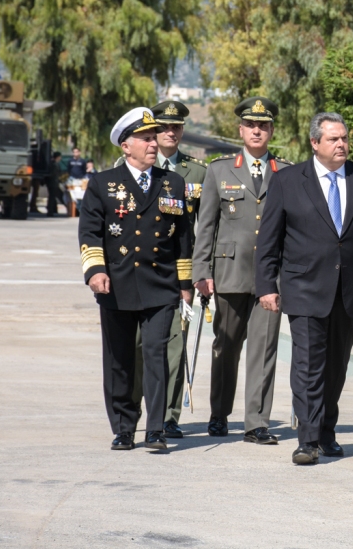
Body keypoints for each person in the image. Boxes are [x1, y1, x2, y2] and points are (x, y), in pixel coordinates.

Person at [255, 112, 353, 466]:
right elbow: (269, 239)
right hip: (304, 287)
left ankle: (326, 432)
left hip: (350, 289)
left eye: (344, 138)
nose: (341, 144)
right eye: (333, 139)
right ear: (314, 143)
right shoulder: (287, 180)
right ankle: (307, 440)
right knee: (307, 364)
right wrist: (266, 285)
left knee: (336, 366)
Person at [77, 107, 193, 451]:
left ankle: (156, 429)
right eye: (145, 138)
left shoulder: (172, 182)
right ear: (126, 146)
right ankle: (124, 427)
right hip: (117, 285)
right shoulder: (102, 183)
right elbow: (90, 231)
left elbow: (183, 236)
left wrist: (185, 283)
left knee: (157, 355)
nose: (153, 143)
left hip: (161, 285)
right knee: (120, 359)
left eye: (153, 137)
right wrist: (95, 271)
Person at [192, 97, 290, 445]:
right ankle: (219, 412)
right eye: (251, 125)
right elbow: (206, 227)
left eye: (263, 125)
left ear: (271, 130)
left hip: (272, 278)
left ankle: (256, 423)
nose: (257, 130)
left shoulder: (287, 171)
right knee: (227, 345)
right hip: (230, 273)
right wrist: (201, 270)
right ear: (241, 130)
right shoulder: (219, 170)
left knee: (264, 350)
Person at [128, 100, 208, 440]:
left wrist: (195, 275)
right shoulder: (128, 167)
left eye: (176, 127)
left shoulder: (197, 172)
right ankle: (132, 413)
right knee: (136, 349)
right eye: (163, 127)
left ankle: (169, 416)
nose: (170, 132)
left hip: (179, 273)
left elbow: (202, 229)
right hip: (137, 273)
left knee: (175, 347)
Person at [47, 151, 66, 216]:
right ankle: (50, 211)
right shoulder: (55, 164)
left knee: (52, 197)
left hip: (51, 183)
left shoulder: (52, 164)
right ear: (58, 157)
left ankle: (52, 210)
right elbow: (56, 174)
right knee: (53, 197)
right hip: (54, 183)